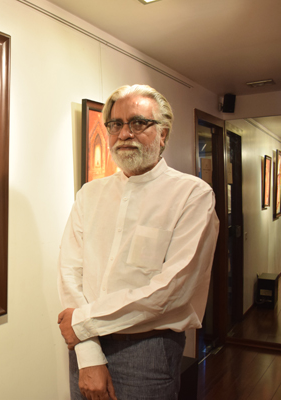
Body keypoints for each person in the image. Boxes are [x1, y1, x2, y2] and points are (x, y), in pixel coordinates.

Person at [57, 84, 219, 400]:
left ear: (163, 134)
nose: (125, 133)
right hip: (85, 347)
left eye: (138, 123)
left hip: (147, 351)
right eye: (115, 124)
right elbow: (69, 272)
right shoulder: (90, 194)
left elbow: (172, 291)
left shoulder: (192, 195)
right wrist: (88, 353)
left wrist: (83, 322)